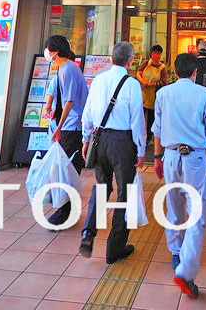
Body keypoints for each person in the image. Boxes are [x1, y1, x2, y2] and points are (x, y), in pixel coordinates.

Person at [152, 52, 206, 298]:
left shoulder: (163, 94)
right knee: (196, 211)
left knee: (174, 205)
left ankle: (175, 252)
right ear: (195, 72)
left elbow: (157, 129)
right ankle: (186, 267)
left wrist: (157, 157)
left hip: (170, 156)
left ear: (174, 71)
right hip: (195, 158)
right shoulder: (203, 94)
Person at [80, 41, 146, 264]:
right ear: (130, 61)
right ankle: (114, 248)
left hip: (100, 140)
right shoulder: (132, 84)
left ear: (111, 59)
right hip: (122, 142)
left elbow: (88, 112)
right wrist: (141, 149)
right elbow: (137, 120)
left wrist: (86, 139)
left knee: (101, 187)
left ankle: (88, 232)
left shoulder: (98, 80)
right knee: (125, 193)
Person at [41, 35, 89, 226]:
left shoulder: (68, 69)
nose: (46, 53)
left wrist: (59, 127)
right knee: (64, 168)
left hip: (72, 127)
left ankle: (66, 211)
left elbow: (70, 101)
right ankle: (65, 209)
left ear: (54, 51)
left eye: (47, 49)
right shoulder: (64, 68)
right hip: (68, 126)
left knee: (68, 169)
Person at [137, 44, 168, 137]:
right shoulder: (146, 63)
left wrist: (151, 84)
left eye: (158, 54)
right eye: (154, 53)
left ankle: (149, 137)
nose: (156, 56)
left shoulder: (162, 68)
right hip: (142, 94)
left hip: (154, 96)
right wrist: (142, 82)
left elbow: (164, 82)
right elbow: (138, 73)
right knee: (140, 117)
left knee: (151, 119)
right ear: (151, 54)